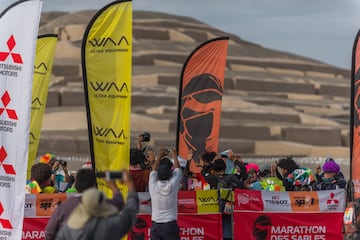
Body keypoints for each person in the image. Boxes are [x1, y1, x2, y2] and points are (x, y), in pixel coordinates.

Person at [55, 169, 139, 240]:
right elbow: (130, 212)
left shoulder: (69, 228)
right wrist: (129, 184)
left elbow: (52, 232)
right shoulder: (108, 227)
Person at [149, 148, 183, 240]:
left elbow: (153, 171)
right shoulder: (173, 184)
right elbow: (178, 170)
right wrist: (174, 155)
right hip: (170, 226)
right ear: (169, 175)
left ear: (158, 176)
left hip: (155, 226)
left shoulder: (153, 186)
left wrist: (159, 155)